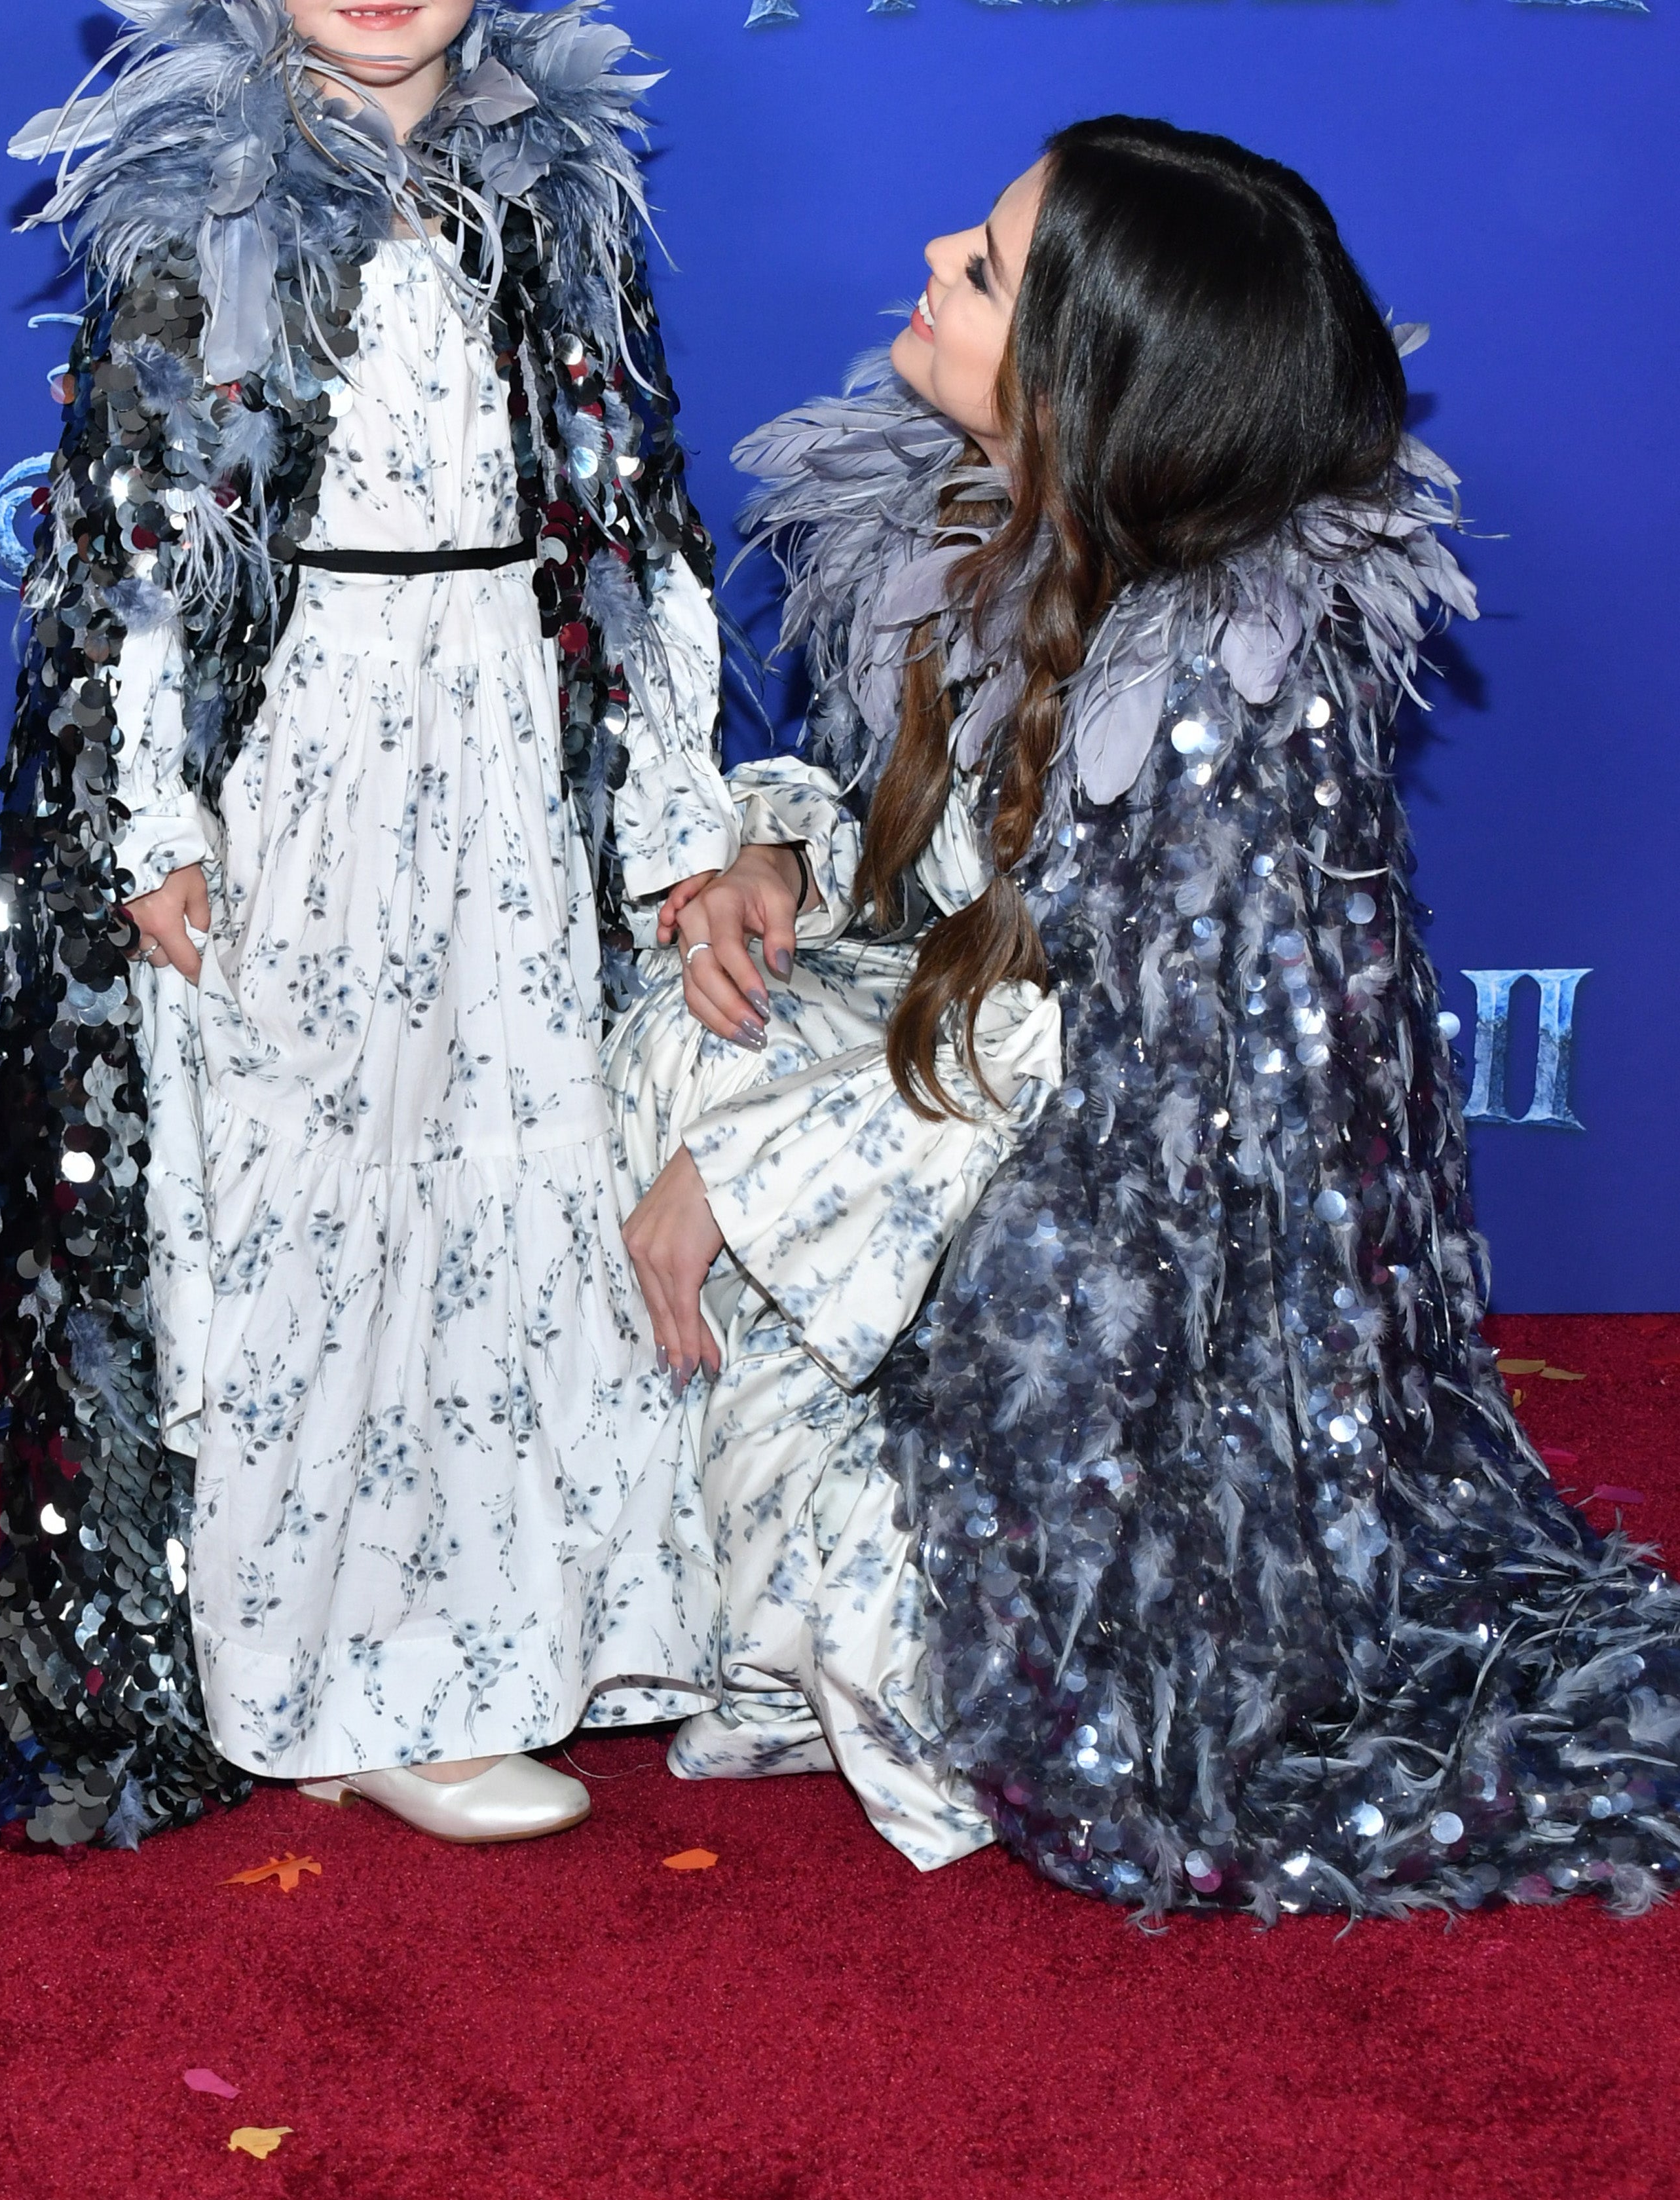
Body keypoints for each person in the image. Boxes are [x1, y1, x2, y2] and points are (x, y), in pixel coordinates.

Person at [612, 115, 1680, 1916]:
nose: (944, 249)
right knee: (663, 1011)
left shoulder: (1226, 700)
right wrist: (782, 853)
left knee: (707, 1129)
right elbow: (941, 862)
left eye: (994, 267)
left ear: (1094, 390)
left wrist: (739, 1179)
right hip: (947, 1101)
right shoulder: (951, 517)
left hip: (1105, 1294)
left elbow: (1103, 1067)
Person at [0, 0, 730, 1850]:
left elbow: (629, 522)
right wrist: (157, 831)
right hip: (308, 762)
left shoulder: (560, 189)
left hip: (502, 746)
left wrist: (673, 814)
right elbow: (131, 556)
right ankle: (347, 1670)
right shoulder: (192, 203)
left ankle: (527, 1630)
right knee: (316, 1211)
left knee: (512, 1193)